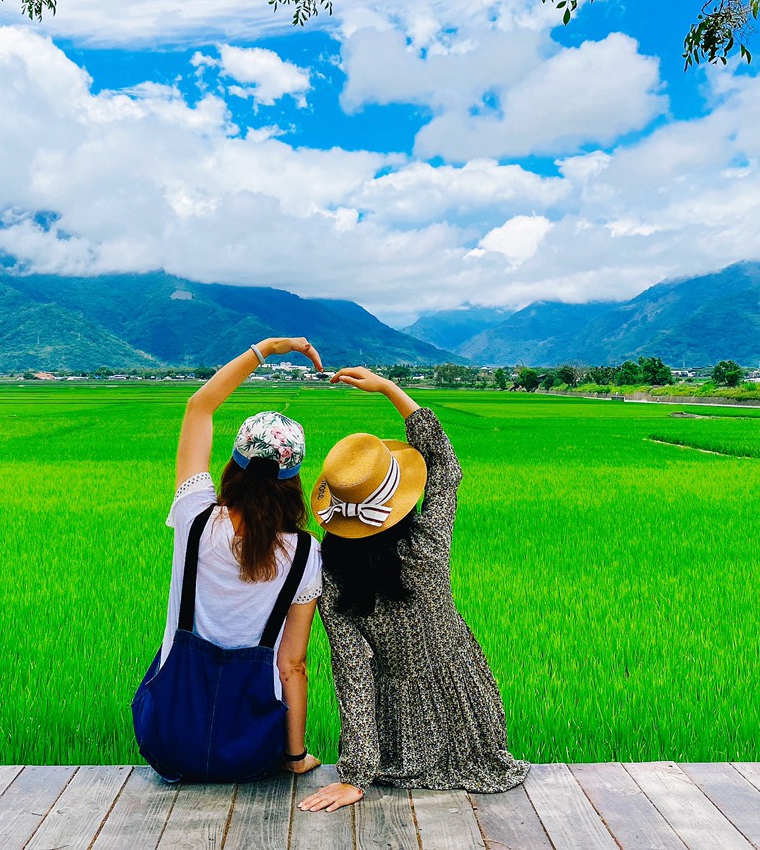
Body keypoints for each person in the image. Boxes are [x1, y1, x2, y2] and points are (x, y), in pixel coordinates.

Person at [298, 367, 529, 812]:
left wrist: (356, 774)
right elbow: (445, 465)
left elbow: (354, 674)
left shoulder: (330, 575)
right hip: (469, 711)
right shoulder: (428, 544)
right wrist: (389, 389)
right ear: (397, 500)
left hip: (398, 736)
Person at [132, 336, 327, 782]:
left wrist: (267, 349)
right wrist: (295, 759)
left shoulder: (194, 515)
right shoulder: (303, 553)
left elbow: (200, 407)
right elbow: (291, 666)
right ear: (293, 479)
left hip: (168, 741)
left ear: (234, 463)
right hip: (251, 752)